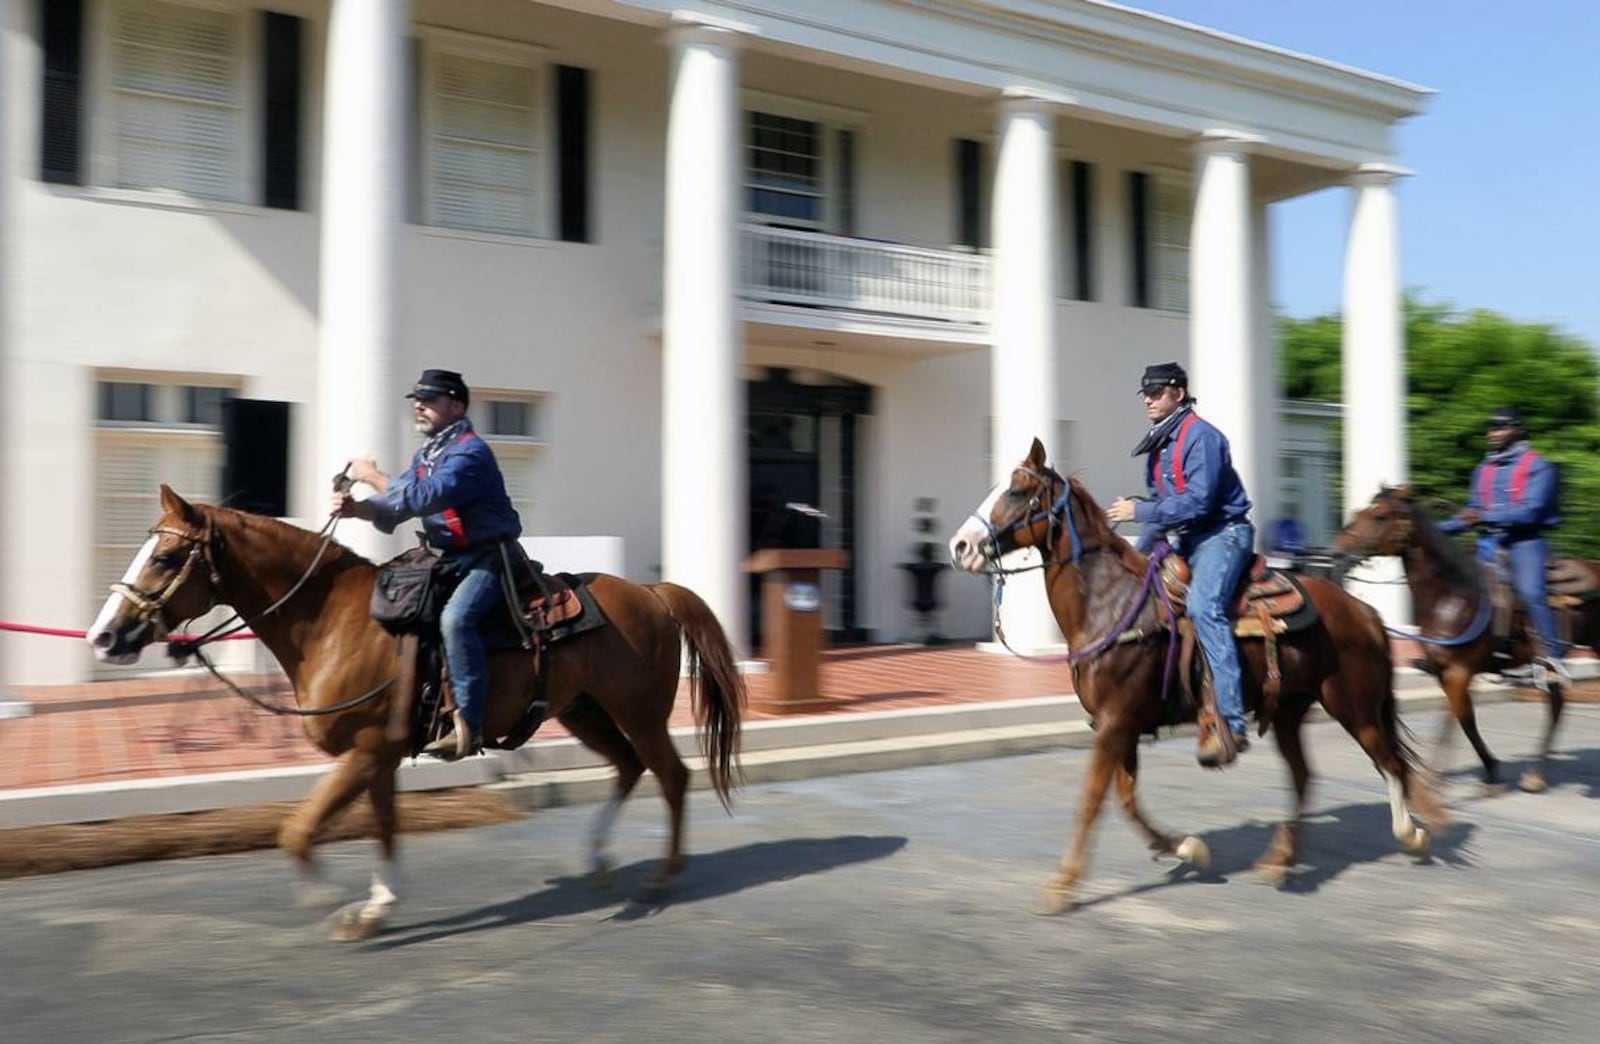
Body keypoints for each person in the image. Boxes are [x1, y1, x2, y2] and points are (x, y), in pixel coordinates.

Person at [332, 368, 523, 759]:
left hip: (489, 557)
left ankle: (468, 725)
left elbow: (422, 497)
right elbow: (397, 505)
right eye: (418, 400)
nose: (420, 406)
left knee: (456, 620)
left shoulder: (471, 452)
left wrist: (372, 476)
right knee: (398, 604)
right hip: (448, 557)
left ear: (456, 405)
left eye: (431, 399)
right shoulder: (428, 453)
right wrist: (357, 509)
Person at [1105, 362, 1255, 766]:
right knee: (1141, 604)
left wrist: (1139, 512)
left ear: (1179, 392)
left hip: (1223, 535)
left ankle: (1232, 719)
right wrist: (1136, 554)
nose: (1149, 400)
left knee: (1204, 608)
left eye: (1156, 392)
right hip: (1187, 538)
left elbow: (1200, 502)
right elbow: (1162, 509)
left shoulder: (1201, 437)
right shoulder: (1159, 444)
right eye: (1146, 394)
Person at [1438, 406, 1566, 671]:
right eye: (1491, 428)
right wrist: (1435, 529)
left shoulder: (1538, 466)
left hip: (1525, 541)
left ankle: (1553, 658)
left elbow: (1530, 512)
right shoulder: (1483, 469)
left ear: (1517, 430)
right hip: (1488, 542)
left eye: (1500, 427)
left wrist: (1485, 516)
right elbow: (1471, 514)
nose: (1492, 433)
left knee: (1531, 592)